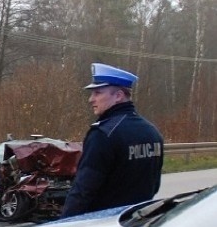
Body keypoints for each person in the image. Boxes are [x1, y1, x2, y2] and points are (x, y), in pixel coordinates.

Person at [60, 63, 164, 218]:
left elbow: (83, 191)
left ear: (118, 96)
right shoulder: (152, 132)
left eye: (98, 93)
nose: (91, 99)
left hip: (103, 225)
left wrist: (63, 226)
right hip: (136, 221)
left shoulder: (103, 134)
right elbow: (154, 185)